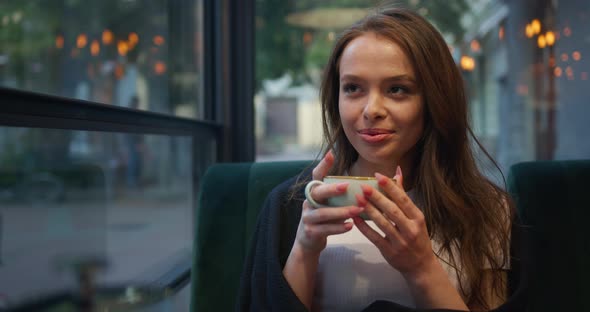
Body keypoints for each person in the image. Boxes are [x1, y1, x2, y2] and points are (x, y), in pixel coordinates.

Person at [238, 7, 521, 312]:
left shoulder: (488, 210)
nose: (372, 109)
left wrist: (421, 267)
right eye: (353, 88)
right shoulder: (289, 207)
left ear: (435, 101)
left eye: (397, 89)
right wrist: (305, 248)